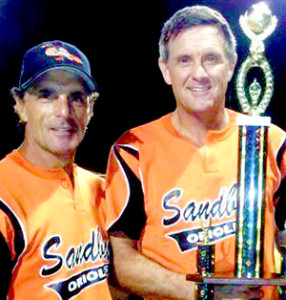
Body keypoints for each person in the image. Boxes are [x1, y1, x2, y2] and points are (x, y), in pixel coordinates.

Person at [104, 5, 286, 300]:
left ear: (231, 64)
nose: (198, 73)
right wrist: (205, 293)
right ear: (166, 70)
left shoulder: (272, 142)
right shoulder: (133, 149)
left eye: (211, 59)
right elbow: (123, 264)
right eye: (184, 60)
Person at [0, 40, 112, 299]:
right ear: (20, 104)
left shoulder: (99, 188)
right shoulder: (5, 193)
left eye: (76, 97)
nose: (64, 112)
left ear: (90, 109)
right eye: (46, 95)